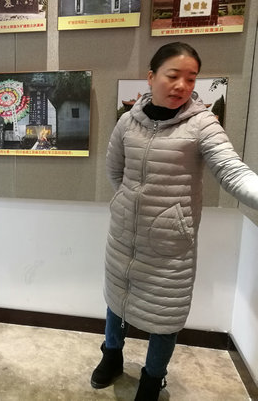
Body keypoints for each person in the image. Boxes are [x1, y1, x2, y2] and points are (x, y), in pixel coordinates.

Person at [91, 42, 258, 400]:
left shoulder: (203, 124)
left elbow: (232, 172)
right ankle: (112, 356)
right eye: (173, 75)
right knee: (117, 299)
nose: (182, 85)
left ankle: (153, 378)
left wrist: (169, 217)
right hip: (123, 235)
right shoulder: (128, 121)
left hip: (170, 243)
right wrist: (130, 204)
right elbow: (114, 170)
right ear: (151, 77)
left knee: (166, 315)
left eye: (191, 78)